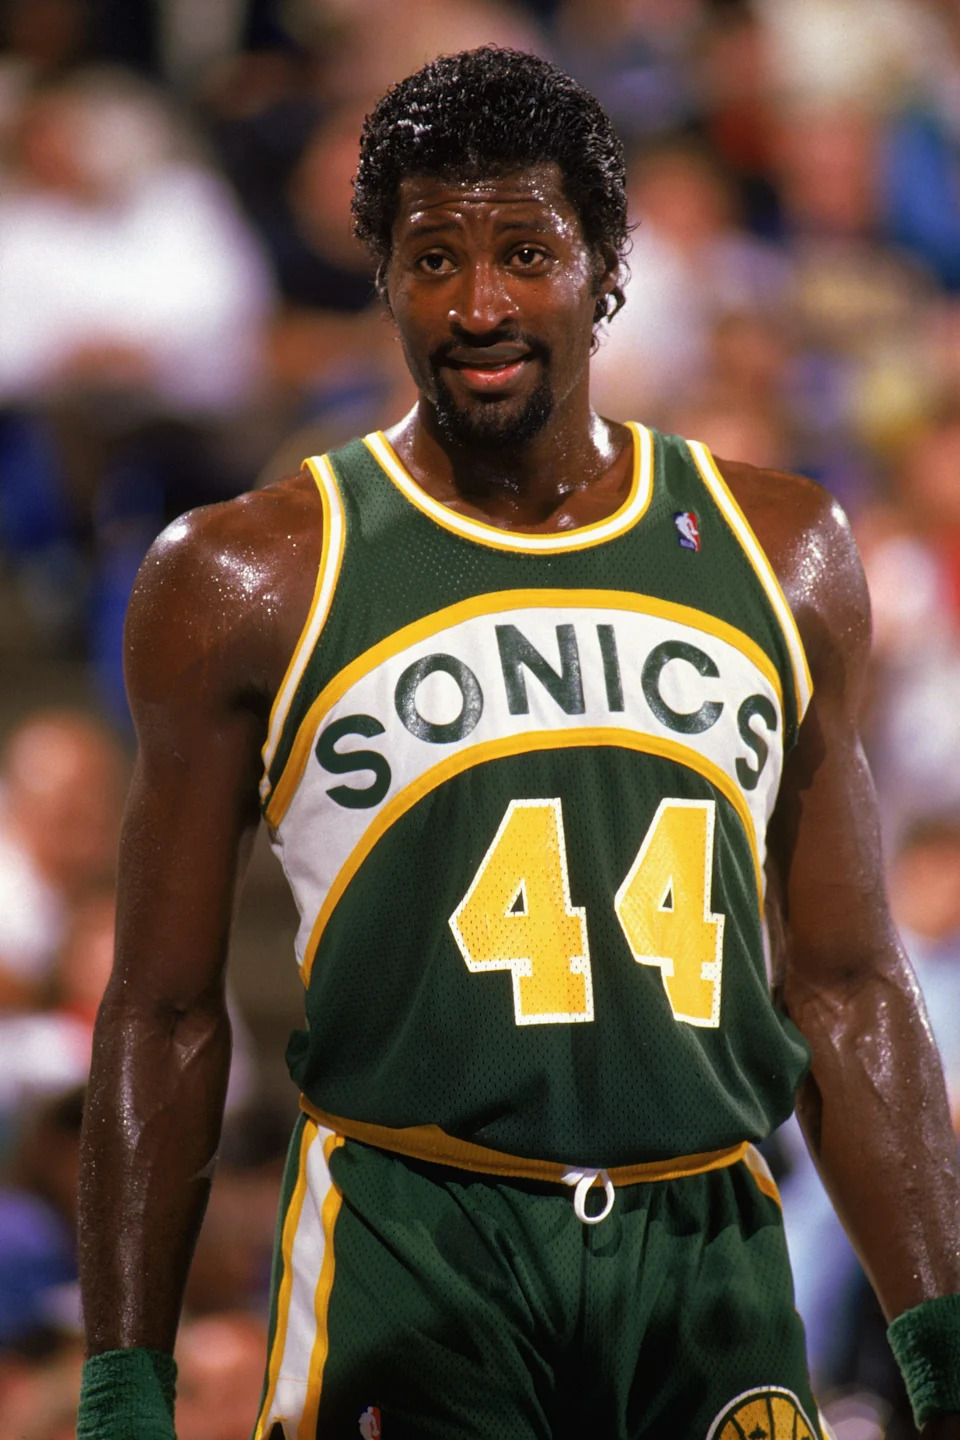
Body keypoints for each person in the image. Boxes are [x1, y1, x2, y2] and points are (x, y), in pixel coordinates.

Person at [76, 46, 960, 1440]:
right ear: (382, 277)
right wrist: (124, 1384)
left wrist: (942, 1339)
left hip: (707, 1253)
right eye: (433, 258)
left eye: (526, 255)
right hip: (412, 1245)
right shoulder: (244, 575)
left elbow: (846, 983)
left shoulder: (783, 549)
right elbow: (164, 1008)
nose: (478, 305)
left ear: (607, 269)